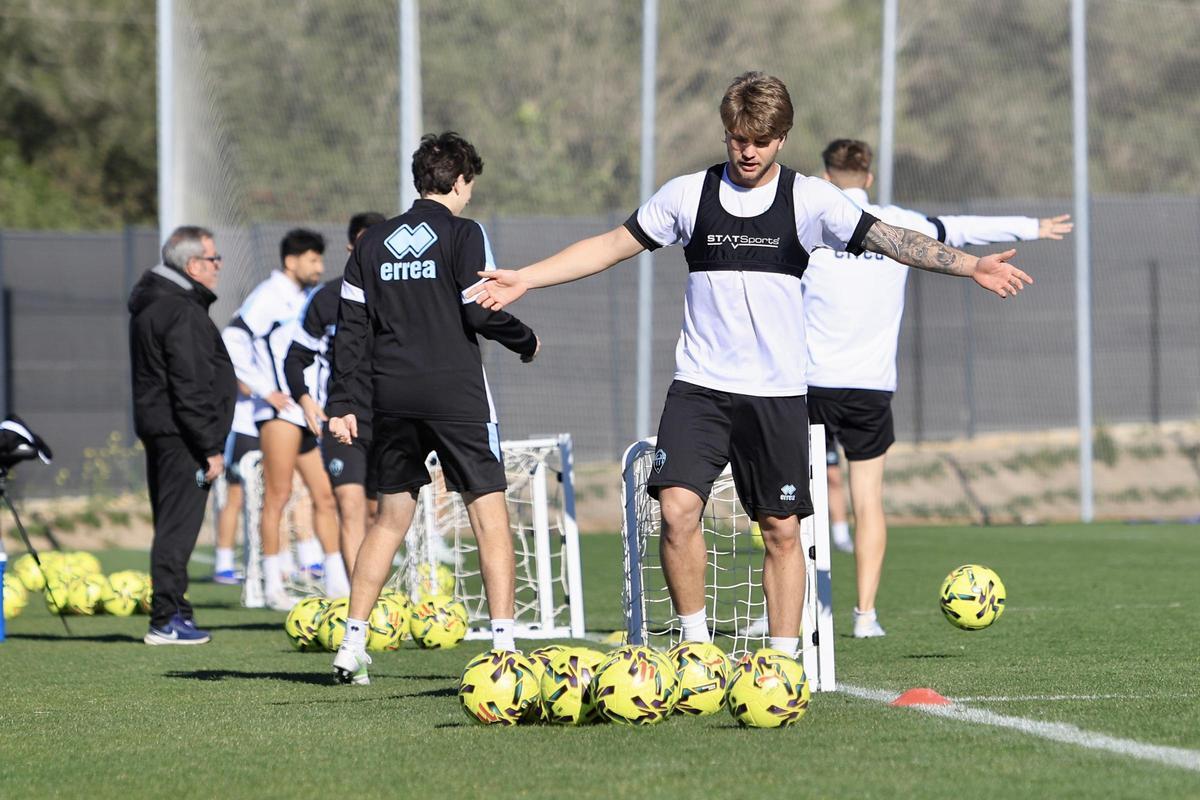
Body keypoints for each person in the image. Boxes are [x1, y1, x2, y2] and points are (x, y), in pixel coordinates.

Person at [470, 72, 1033, 659]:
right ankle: (695, 650)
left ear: (782, 139)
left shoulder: (810, 200)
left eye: (760, 140)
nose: (747, 150)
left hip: (777, 393)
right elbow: (611, 245)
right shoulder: (688, 195)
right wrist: (526, 277)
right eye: (737, 137)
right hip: (701, 387)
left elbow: (891, 238)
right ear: (725, 132)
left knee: (782, 530)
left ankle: (783, 662)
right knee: (677, 510)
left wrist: (970, 267)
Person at [803, 138, 1072, 638]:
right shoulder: (901, 224)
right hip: (870, 388)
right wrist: (1032, 227)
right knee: (868, 501)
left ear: (824, 176)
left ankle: (795, 608)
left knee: (796, 501)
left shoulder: (810, 221)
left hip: (809, 383)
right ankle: (865, 616)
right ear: (868, 177)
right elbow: (963, 230)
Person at [326, 132, 540, 685]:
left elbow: (351, 330)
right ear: (462, 181)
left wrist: (342, 402)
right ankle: (503, 649)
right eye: (471, 184)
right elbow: (479, 311)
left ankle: (352, 644)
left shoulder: (371, 241)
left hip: (390, 395)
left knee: (390, 517)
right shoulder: (465, 233)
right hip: (454, 394)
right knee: (488, 515)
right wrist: (525, 339)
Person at [224, 229, 348, 609]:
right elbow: (232, 337)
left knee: (324, 495)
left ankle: (337, 580)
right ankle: (271, 581)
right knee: (276, 495)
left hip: (305, 410)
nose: (319, 267)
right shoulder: (267, 296)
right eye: (312, 259)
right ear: (291, 261)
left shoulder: (305, 298)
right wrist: (266, 391)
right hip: (279, 414)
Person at [128, 226, 236, 645]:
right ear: (193, 265)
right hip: (181, 437)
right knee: (178, 528)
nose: (219, 266)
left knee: (171, 524)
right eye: (213, 259)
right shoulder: (179, 310)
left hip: (166, 431)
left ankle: (177, 609)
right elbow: (189, 384)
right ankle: (165, 618)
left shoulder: (160, 303)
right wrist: (208, 446)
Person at [283, 211, 387, 578]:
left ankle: (376, 598)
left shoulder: (401, 294)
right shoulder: (327, 298)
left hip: (391, 419)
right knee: (350, 503)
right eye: (364, 241)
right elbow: (295, 357)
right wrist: (307, 401)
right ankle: (358, 605)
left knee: (380, 514)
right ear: (351, 247)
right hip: (343, 419)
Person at [211, 381, 258, 584]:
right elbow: (245, 386)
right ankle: (224, 564)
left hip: (273, 427)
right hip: (245, 430)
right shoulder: (239, 349)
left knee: (276, 495)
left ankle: (279, 564)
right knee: (235, 497)